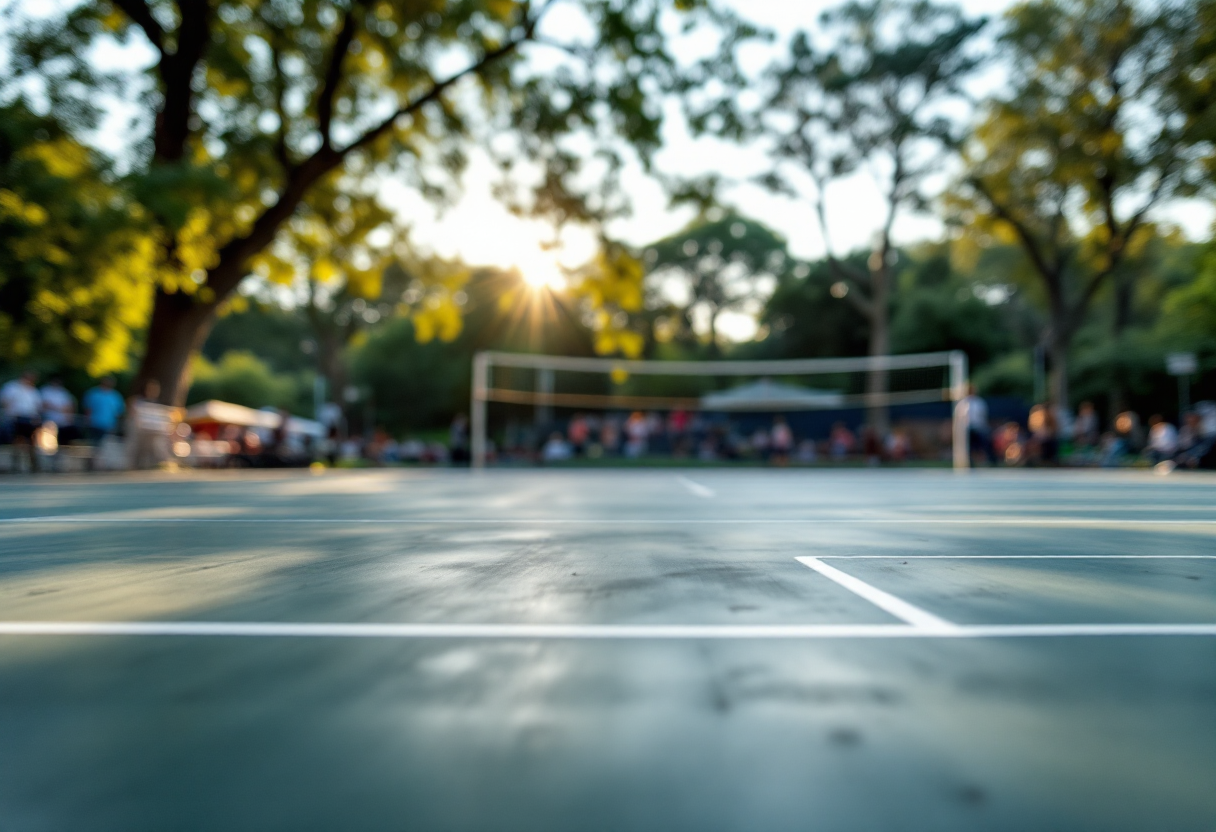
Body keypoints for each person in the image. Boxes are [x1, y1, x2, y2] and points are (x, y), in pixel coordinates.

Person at [1, 370, 42, 471]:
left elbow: (37, 406)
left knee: (32, 441)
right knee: (17, 441)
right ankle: (16, 464)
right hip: (16, 418)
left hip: (29, 419)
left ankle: (33, 465)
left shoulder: (32, 390)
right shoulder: (11, 387)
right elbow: (5, 402)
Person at [83, 376, 125, 443]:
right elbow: (87, 409)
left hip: (108, 426)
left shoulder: (116, 396)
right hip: (93, 424)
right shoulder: (93, 393)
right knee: (91, 443)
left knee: (103, 446)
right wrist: (87, 421)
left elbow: (119, 413)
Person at [960, 384, 993, 465]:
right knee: (968, 446)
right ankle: (969, 462)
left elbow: (983, 416)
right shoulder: (963, 403)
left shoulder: (979, 402)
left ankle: (988, 460)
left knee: (983, 444)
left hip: (978, 428)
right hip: (967, 429)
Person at [40, 377, 79, 444]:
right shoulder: (45, 391)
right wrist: (59, 409)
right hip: (49, 421)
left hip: (63, 422)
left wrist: (69, 416)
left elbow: (70, 405)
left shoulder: (63, 392)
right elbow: (44, 405)